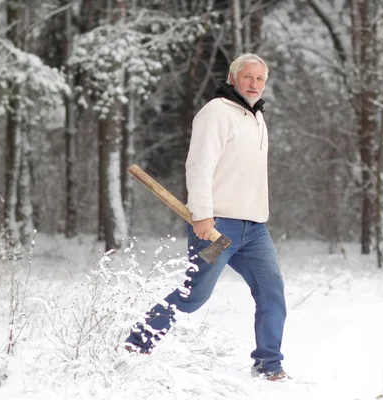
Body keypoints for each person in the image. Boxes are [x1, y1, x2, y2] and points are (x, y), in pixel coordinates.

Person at [124, 54, 288, 381]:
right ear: (232, 78)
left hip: (254, 230)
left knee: (272, 293)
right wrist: (202, 214)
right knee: (194, 295)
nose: (254, 84)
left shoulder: (257, 118)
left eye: (259, 79)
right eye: (247, 77)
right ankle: (136, 343)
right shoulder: (215, 113)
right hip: (217, 230)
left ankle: (269, 365)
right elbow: (199, 165)